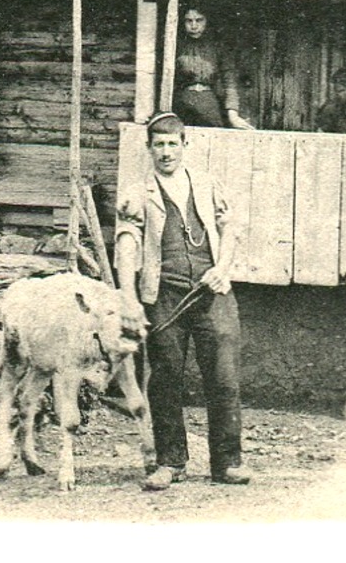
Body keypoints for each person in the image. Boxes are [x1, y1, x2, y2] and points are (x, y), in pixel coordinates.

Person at [114, 113, 252, 490]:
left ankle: (227, 464)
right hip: (163, 296)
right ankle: (170, 462)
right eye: (158, 144)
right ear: (149, 149)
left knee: (223, 379)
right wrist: (128, 297)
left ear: (185, 146)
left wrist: (223, 268)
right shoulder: (139, 192)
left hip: (212, 292)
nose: (166, 152)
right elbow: (127, 241)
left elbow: (231, 227)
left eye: (173, 144)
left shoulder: (207, 184)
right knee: (166, 380)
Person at [173, 7, 253, 130]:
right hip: (182, 102)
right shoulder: (175, 45)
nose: (194, 26)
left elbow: (229, 82)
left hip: (208, 102)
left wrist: (233, 114)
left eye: (199, 20)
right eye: (189, 21)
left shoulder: (217, 47)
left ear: (207, 21)